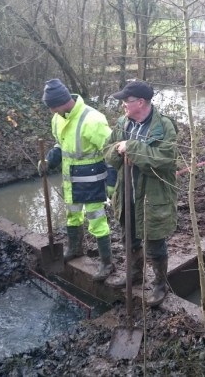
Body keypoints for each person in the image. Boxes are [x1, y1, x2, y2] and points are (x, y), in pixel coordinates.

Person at [103, 80, 178, 307]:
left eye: (127, 101)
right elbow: (107, 151)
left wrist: (132, 147)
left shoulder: (163, 127)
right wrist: (118, 149)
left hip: (152, 197)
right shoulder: (122, 123)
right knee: (129, 238)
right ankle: (134, 275)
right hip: (126, 194)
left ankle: (160, 285)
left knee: (155, 242)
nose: (123, 105)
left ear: (141, 102)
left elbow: (165, 159)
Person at [38, 79, 114, 282]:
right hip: (70, 179)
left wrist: (113, 184)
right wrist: (48, 161)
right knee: (72, 215)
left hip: (91, 179)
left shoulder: (93, 119)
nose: (51, 111)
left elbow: (112, 151)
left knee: (97, 220)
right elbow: (60, 144)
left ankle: (107, 262)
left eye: (52, 107)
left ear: (62, 102)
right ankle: (75, 248)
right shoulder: (58, 118)